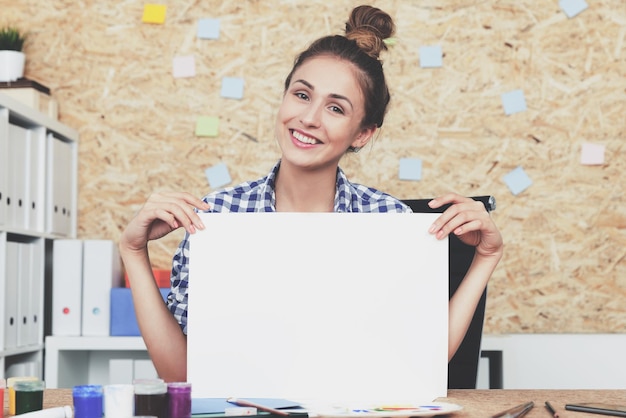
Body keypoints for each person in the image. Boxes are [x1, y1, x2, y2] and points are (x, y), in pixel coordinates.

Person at [119, 5, 503, 383]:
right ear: (285, 98)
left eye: (335, 108)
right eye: (302, 95)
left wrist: (486, 256)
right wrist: (133, 252)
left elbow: (422, 359)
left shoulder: (391, 220)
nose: (309, 118)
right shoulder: (215, 217)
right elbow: (180, 375)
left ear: (363, 133)